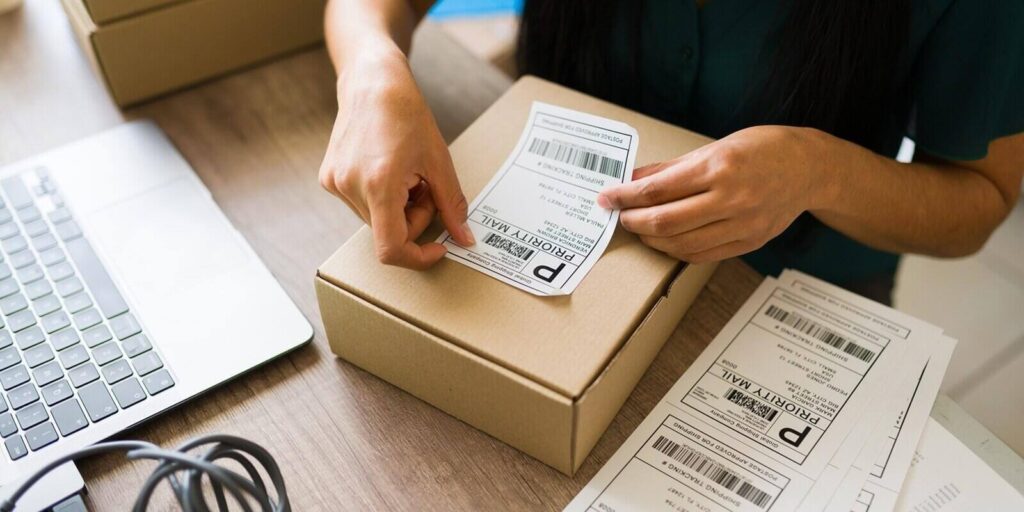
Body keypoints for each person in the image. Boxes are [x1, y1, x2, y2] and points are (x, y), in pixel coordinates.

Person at [319, 0, 1024, 304]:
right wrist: (371, 74)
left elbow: (980, 197)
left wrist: (819, 171)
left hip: (799, 282)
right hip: (555, 224)